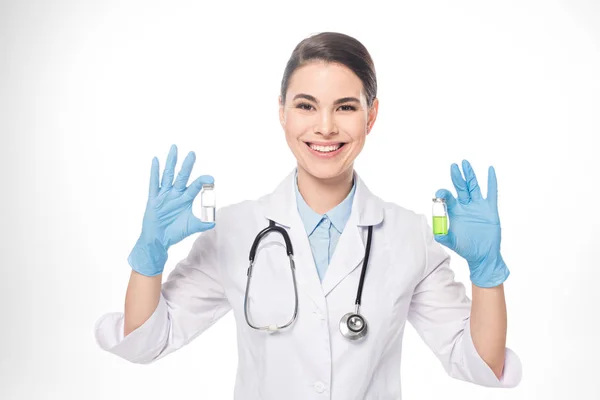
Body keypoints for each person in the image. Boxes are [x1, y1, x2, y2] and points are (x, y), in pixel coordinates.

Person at [94, 31, 522, 399]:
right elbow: (148, 341)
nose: (325, 127)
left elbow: (478, 363)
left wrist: (486, 274)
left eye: (345, 107)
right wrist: (148, 257)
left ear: (371, 116)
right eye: (305, 106)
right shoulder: (234, 231)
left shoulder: (411, 237)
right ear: (281, 112)